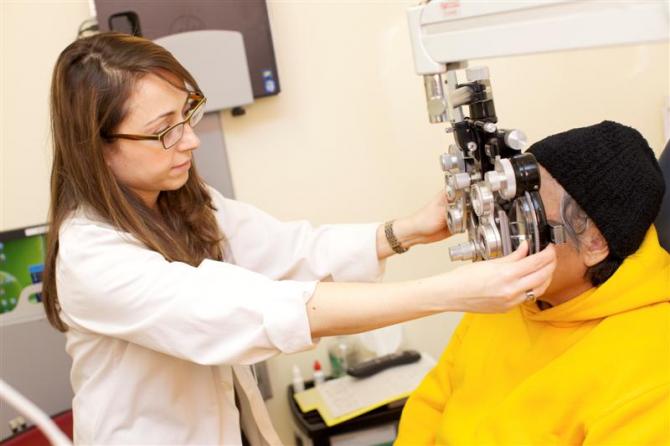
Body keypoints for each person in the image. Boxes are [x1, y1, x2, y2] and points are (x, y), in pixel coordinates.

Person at [42, 33, 556, 445]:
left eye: (188, 115)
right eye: (164, 131)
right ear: (100, 149)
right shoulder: (91, 259)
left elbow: (292, 251)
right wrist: (452, 292)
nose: (190, 140)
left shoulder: (185, 201)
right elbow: (263, 308)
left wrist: (405, 231)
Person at [396, 120, 669, 445]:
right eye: (510, 204)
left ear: (595, 243)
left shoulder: (651, 367)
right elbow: (430, 404)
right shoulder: (506, 299)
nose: (506, 232)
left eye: (527, 217)